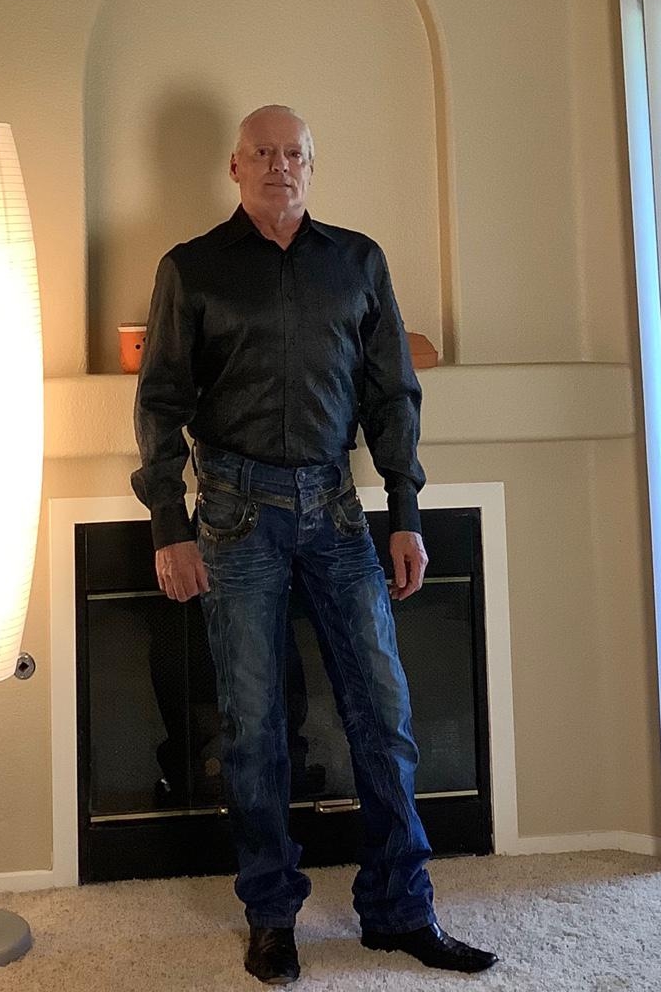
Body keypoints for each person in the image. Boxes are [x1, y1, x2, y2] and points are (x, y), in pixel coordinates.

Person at [130, 106, 497, 983]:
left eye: (293, 153)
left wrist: (405, 511)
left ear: (310, 164)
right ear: (235, 166)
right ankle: (271, 916)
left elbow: (392, 392)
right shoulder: (192, 268)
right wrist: (169, 527)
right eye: (262, 152)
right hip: (234, 516)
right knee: (253, 727)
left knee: (385, 713)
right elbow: (161, 402)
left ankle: (400, 910)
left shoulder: (357, 261)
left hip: (336, 511)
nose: (279, 165)